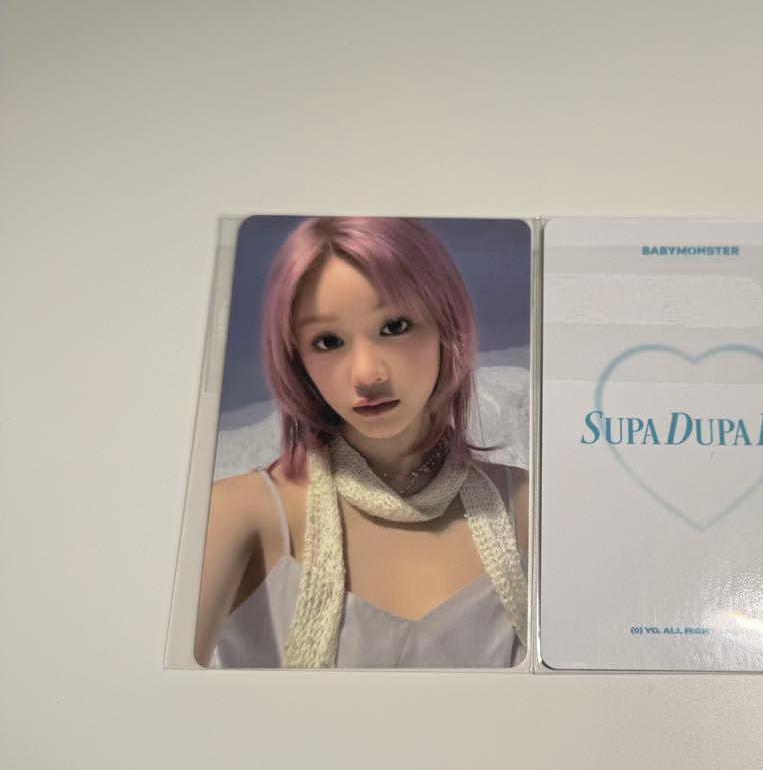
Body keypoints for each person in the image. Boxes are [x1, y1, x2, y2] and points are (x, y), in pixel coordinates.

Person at [195, 217, 529, 669]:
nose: (367, 374)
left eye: (395, 326)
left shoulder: (526, 507)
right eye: (328, 341)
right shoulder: (239, 515)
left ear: (446, 327)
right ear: (295, 358)